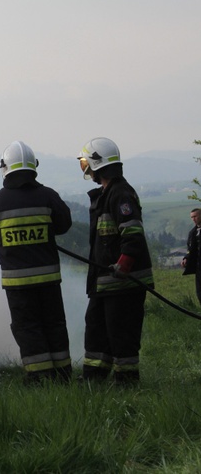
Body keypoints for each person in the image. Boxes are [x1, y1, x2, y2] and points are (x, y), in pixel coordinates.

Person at [0, 141, 73, 384]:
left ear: (5, 168)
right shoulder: (48, 196)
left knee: (28, 327)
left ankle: (39, 376)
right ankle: (63, 374)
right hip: (49, 280)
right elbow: (64, 224)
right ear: (33, 166)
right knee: (54, 324)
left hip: (17, 282)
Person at [78, 137, 154, 385]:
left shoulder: (120, 193)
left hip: (124, 283)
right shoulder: (106, 194)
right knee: (96, 329)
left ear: (97, 164)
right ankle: (94, 379)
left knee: (122, 334)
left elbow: (132, 234)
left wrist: (123, 264)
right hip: (106, 283)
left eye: (85, 163)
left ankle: (126, 382)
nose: (85, 169)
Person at [181, 208, 201, 305]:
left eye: (195, 216)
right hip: (199, 268)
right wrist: (186, 258)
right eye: (192, 217)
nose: (193, 219)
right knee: (200, 293)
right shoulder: (192, 233)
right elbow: (191, 250)